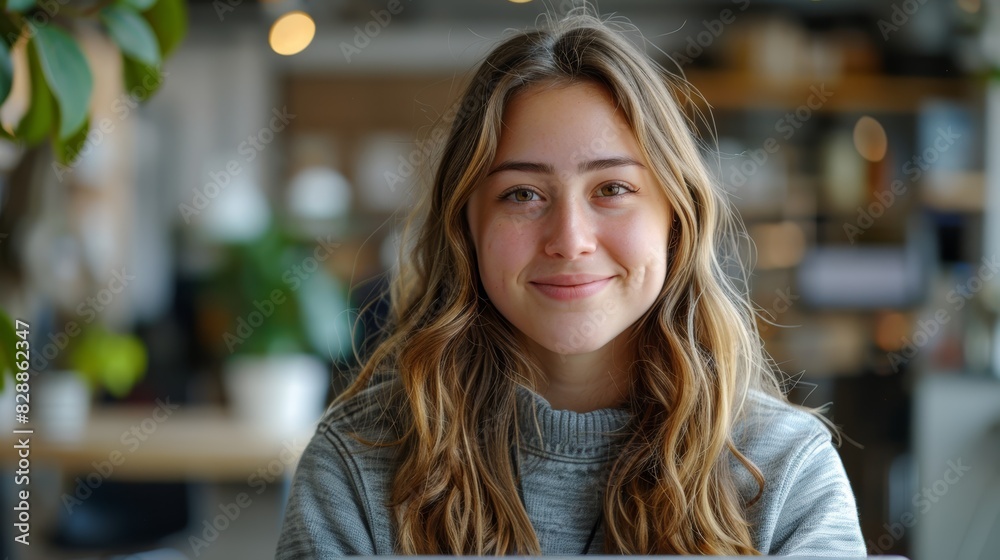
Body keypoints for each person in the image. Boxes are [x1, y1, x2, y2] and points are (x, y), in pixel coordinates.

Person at [275, 11, 866, 557]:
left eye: (612, 188)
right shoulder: (357, 465)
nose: (570, 238)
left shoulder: (785, 471)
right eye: (523, 194)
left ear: (675, 218)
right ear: (467, 230)